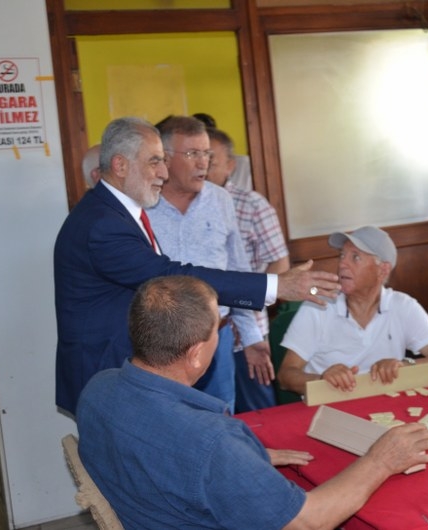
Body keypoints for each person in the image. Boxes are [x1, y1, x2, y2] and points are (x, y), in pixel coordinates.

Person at [76, 275, 428, 529]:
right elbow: (310, 521)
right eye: (218, 329)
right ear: (196, 354)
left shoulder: (97, 388)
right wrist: (382, 459)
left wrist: (240, 462)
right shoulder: (213, 441)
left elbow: (161, 453)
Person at [53, 116, 339, 416]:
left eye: (163, 161)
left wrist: (252, 332)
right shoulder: (104, 224)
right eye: (154, 161)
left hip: (148, 363)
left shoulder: (118, 211)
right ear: (121, 165)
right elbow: (168, 278)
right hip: (108, 373)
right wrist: (275, 285)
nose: (163, 173)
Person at [149, 116, 271, 410]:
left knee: (219, 418)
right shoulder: (144, 204)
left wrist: (251, 337)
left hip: (217, 338)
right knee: (167, 421)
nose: (202, 162)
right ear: (165, 157)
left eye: (206, 154)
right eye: (192, 153)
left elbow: (238, 272)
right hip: (159, 343)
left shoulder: (220, 200)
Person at [277, 226, 428, 396]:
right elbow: (286, 376)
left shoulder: (403, 306)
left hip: (384, 404)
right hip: (328, 405)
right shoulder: (318, 306)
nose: (342, 264)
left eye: (355, 257)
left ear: (383, 270)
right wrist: (321, 379)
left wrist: (403, 365)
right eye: (342, 255)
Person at [207, 126, 289, 411]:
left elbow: (280, 262)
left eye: (210, 160)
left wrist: (252, 303)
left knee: (257, 411)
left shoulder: (251, 204)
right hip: (202, 331)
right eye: (196, 157)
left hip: (247, 331)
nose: (202, 166)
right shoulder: (182, 204)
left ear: (230, 166)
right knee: (214, 413)